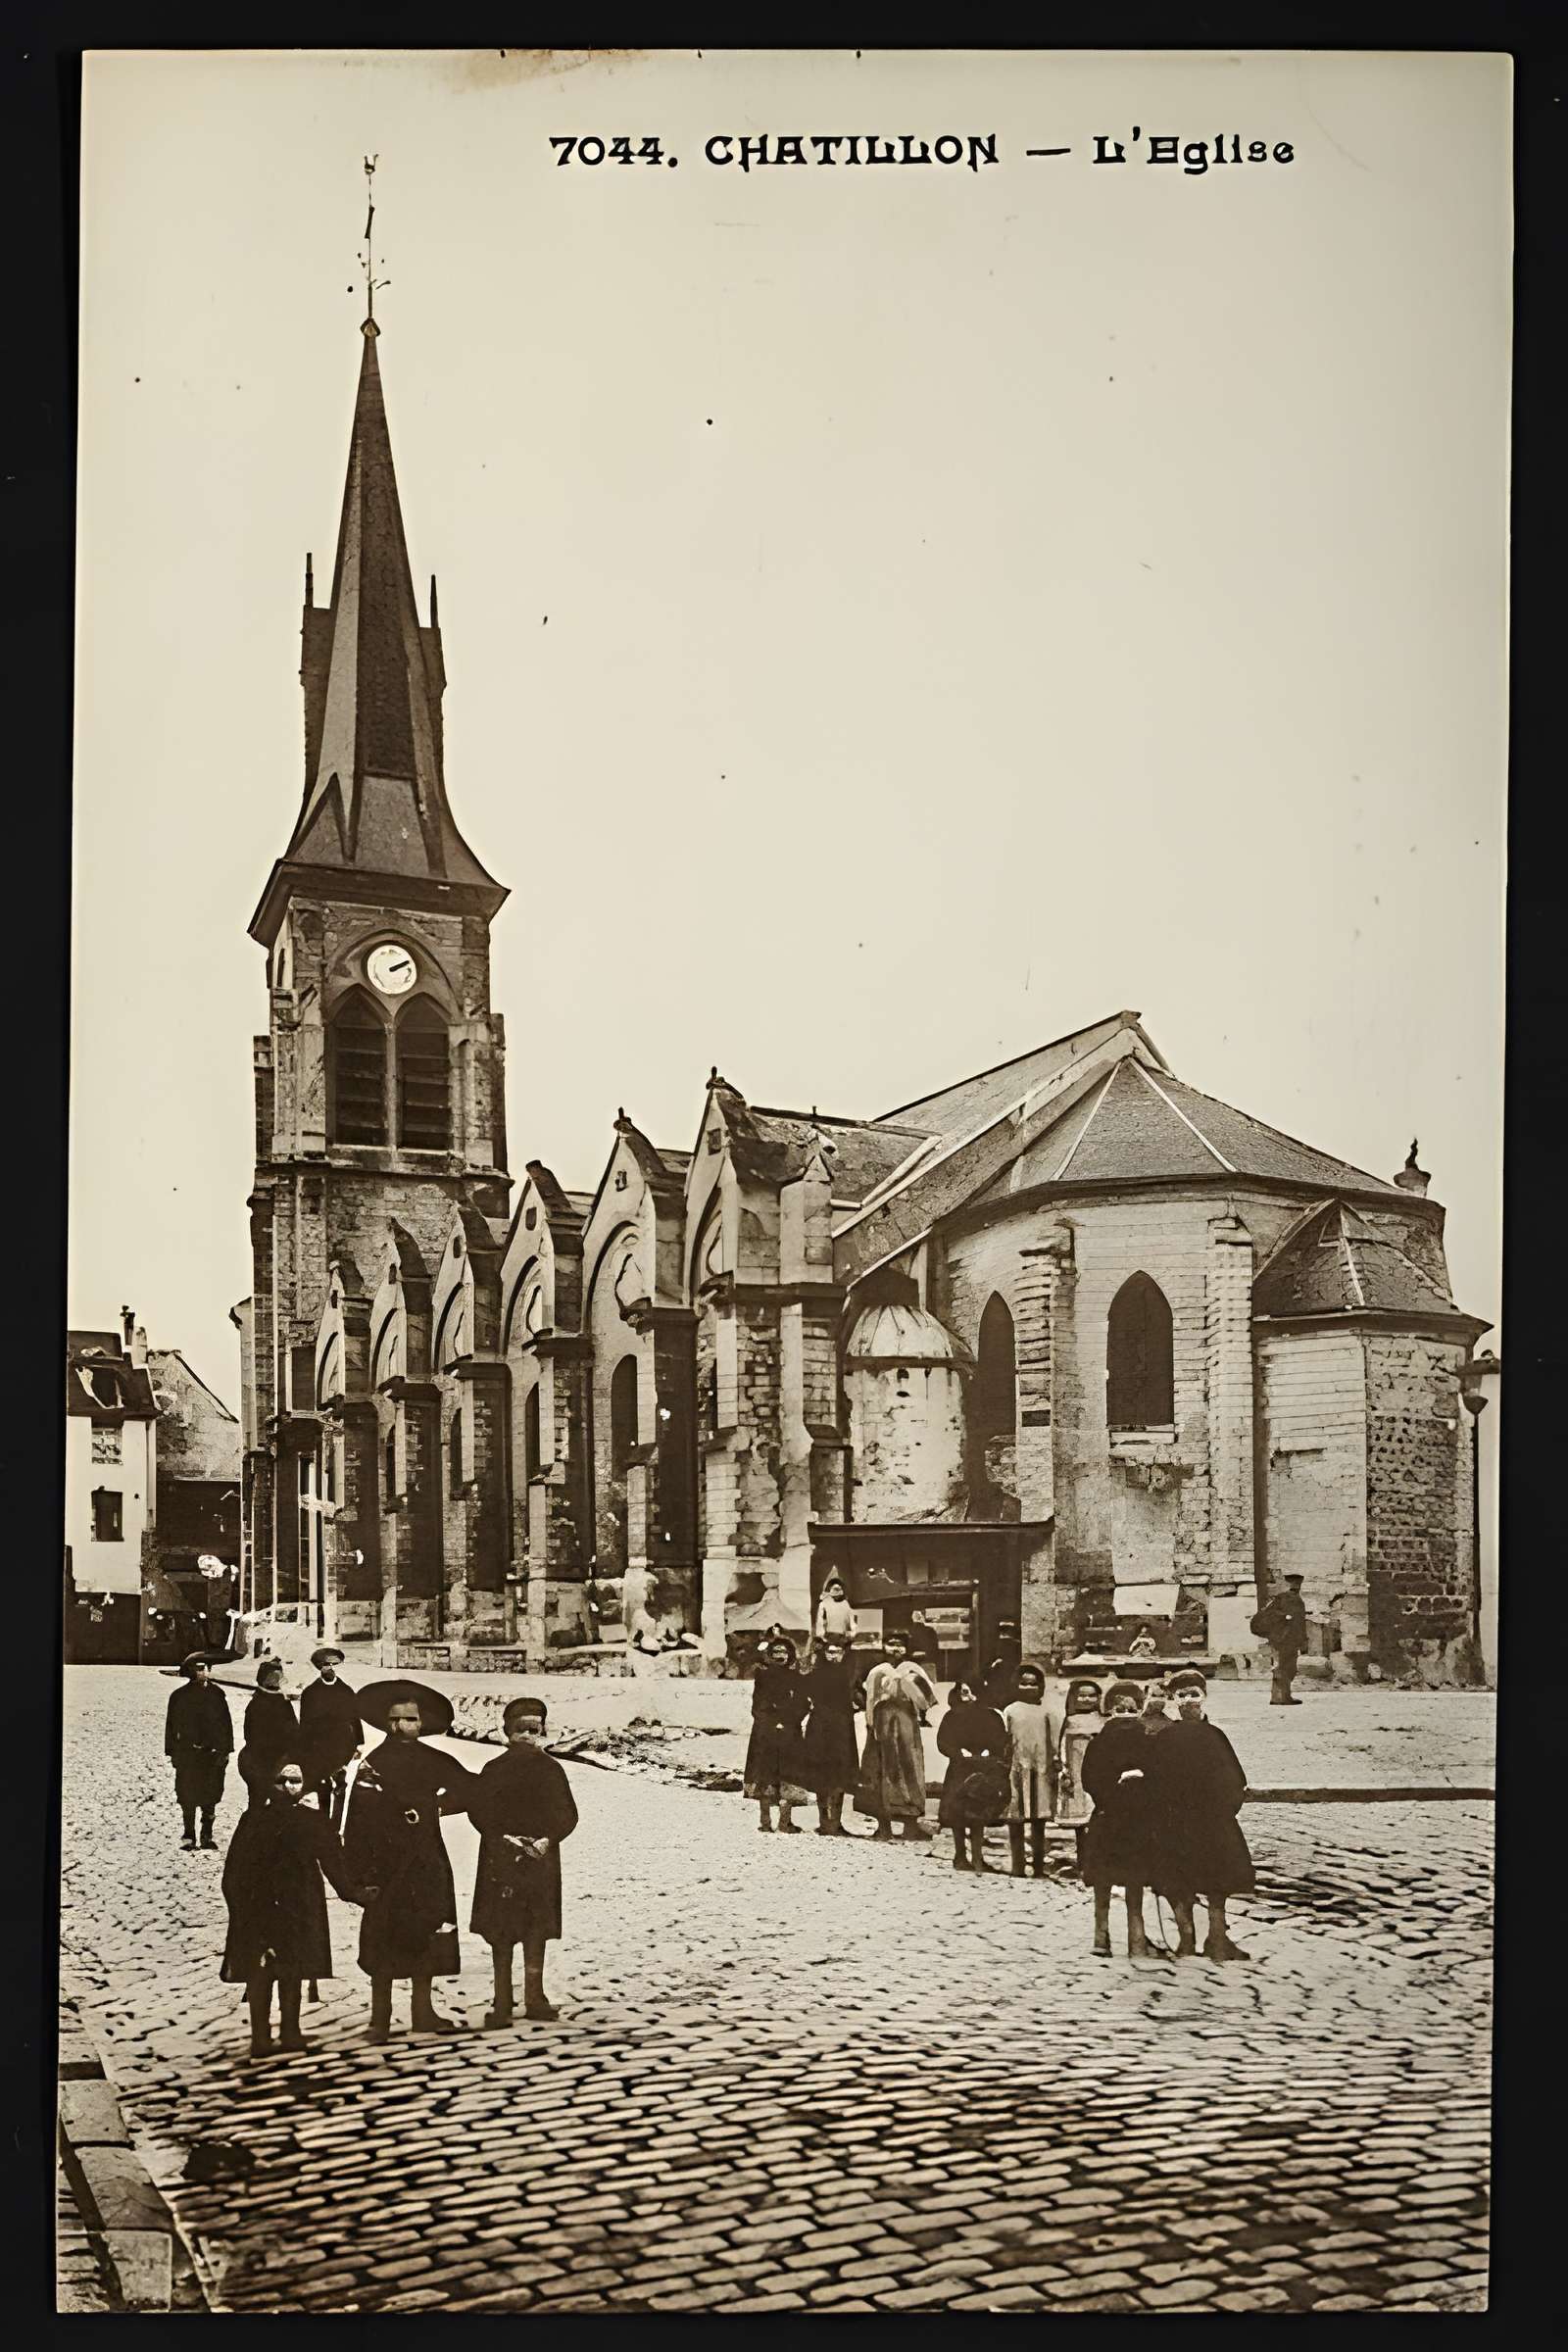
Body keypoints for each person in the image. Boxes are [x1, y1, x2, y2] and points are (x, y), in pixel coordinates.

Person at [342, 1685, 480, 2042]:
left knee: (427, 1932)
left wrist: (438, 1807)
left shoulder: (433, 1760)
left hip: (426, 1860)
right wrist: (359, 1875)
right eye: (394, 1720)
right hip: (385, 1864)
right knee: (384, 1938)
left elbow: (470, 1788)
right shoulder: (374, 1764)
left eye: (410, 1720)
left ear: (422, 1723)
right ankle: (380, 2018)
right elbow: (355, 1820)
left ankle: (423, 2011)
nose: (401, 1727)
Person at [220, 1752, 366, 2059]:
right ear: (271, 1784)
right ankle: (260, 2035)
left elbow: (333, 1862)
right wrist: (239, 1909)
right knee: (260, 1972)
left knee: (292, 1969)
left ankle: (290, 2029)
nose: (287, 1786)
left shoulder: (312, 1821)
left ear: (304, 1786)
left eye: (294, 1781)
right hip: (259, 1904)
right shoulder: (253, 1819)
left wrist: (354, 1892)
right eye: (281, 1780)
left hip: (299, 1903)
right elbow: (233, 1870)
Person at [468, 1696, 579, 2028]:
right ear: (507, 1732)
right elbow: (480, 1812)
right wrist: (504, 1840)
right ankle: (502, 1999)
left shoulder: (551, 1769)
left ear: (543, 1731)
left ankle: (535, 1996)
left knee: (536, 1930)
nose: (527, 1736)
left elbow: (568, 1813)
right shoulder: (494, 1769)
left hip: (539, 1862)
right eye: (520, 1730)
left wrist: (548, 1840)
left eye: (534, 1729)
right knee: (501, 1932)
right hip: (500, 1862)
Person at [1148, 1669, 1255, 1962]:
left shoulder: (1215, 1735)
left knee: (1217, 1881)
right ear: (1173, 1701)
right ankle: (1186, 1937)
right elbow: (1154, 1781)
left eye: (1194, 1695)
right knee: (1176, 1880)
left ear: (1204, 1698)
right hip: (1176, 1821)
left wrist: (1225, 1808)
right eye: (1182, 1696)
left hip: (1213, 1820)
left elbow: (1234, 1778)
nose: (1189, 1702)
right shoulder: (1165, 1737)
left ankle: (1217, 1938)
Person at [1080, 1679, 1162, 1962]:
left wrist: (1111, 1792)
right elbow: (1159, 1781)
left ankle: (1104, 1937)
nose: (1125, 1715)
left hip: (1108, 1818)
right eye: (1121, 1710)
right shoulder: (1148, 1742)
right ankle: (1132, 1940)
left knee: (1107, 1881)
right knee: (1132, 1881)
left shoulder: (1099, 1743)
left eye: (1129, 1710)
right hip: (1132, 1820)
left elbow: (1089, 1780)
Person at [856, 1628, 936, 1840]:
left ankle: (911, 1825)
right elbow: (870, 1700)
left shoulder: (914, 1669)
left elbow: (927, 1699)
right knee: (882, 1769)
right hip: (882, 1724)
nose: (896, 1648)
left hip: (906, 1723)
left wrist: (907, 1685)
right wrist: (871, 1724)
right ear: (884, 1646)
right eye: (891, 1643)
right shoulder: (877, 1671)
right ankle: (884, 1827)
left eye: (900, 1644)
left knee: (910, 1768)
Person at [936, 1676, 1009, 1871]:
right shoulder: (951, 1716)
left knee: (977, 1814)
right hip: (959, 1769)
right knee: (957, 1814)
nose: (967, 1696)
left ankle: (977, 1857)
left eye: (969, 1691)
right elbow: (943, 1741)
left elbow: (1000, 1740)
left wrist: (988, 1752)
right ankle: (959, 1856)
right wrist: (958, 1753)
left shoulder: (991, 1716)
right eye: (963, 1692)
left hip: (982, 1769)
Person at [164, 1652, 233, 1851]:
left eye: (207, 1668)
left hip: (212, 1755)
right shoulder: (179, 1696)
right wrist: (172, 1752)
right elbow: (171, 1726)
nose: (204, 1672)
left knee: (210, 1795)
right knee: (188, 1795)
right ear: (191, 1671)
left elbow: (226, 1725)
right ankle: (188, 1835)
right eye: (200, 1668)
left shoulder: (217, 1695)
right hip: (189, 1755)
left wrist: (226, 1750)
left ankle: (207, 1836)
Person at [744, 1635, 812, 1833]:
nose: (780, 1655)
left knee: (788, 1774)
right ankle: (765, 1822)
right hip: (765, 1733)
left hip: (790, 1733)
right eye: (776, 1652)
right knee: (765, 1775)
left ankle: (785, 1821)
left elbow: (802, 1705)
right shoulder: (763, 1676)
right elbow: (758, 1705)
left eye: (784, 1652)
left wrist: (788, 1722)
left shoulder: (797, 1678)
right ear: (770, 1655)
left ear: (790, 1654)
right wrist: (772, 1723)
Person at [801, 1634, 861, 1836]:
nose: (833, 1656)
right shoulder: (816, 1674)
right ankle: (824, 1821)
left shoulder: (849, 1673)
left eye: (838, 1652)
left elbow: (859, 1695)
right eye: (830, 1652)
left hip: (842, 1727)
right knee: (821, 1772)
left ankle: (835, 1821)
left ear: (844, 1654)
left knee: (840, 1772)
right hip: (820, 1726)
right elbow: (803, 1690)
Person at [299, 1646, 364, 1832]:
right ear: (320, 1668)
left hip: (342, 1746)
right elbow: (305, 1724)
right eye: (326, 1665)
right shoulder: (311, 1693)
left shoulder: (346, 1691)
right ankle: (323, 1825)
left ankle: (335, 1827)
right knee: (323, 1786)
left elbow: (354, 1717)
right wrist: (304, 1749)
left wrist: (359, 1743)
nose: (331, 1668)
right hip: (319, 1747)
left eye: (334, 1665)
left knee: (341, 1785)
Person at [1003, 1663, 1057, 1879]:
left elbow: (1053, 1741)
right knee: (1015, 1819)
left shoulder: (1048, 1712)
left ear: (1041, 1686)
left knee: (1038, 1821)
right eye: (1023, 1684)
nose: (1028, 1688)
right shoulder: (1010, 1710)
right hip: (1015, 1769)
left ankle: (1038, 1866)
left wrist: (1055, 1762)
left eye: (1033, 1684)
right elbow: (1004, 1738)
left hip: (1040, 1770)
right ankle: (1018, 1865)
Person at [1054, 1677, 1104, 1870]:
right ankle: (1083, 1860)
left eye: (1091, 1696)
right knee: (1080, 1824)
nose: (1086, 1700)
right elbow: (1063, 1747)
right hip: (1076, 1774)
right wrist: (1064, 1770)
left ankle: (1097, 1860)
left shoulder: (1102, 1721)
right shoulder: (1070, 1721)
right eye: (1082, 1696)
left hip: (1097, 1775)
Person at [239, 1658, 299, 1808]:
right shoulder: (257, 1704)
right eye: (273, 1677)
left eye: (278, 1677)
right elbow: (251, 1735)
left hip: (281, 1761)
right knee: (257, 1802)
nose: (277, 1680)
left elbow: (294, 1731)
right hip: (260, 1761)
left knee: (280, 1803)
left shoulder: (283, 1703)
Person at [1251, 1574, 1308, 1705]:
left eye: (1298, 1584)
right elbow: (1297, 1623)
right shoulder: (1289, 1599)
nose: (1297, 1586)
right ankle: (1280, 1697)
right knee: (1284, 1667)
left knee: (1286, 1667)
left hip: (1283, 1639)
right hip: (1285, 1639)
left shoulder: (1287, 1598)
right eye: (1294, 1583)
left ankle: (1282, 1696)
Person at [813, 1574, 857, 1652]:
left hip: (843, 1638)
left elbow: (852, 1621)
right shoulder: (823, 1604)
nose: (836, 1594)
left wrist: (851, 1635)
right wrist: (822, 1638)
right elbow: (820, 1623)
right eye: (834, 1590)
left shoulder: (846, 1604)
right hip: (828, 1638)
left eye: (838, 1590)